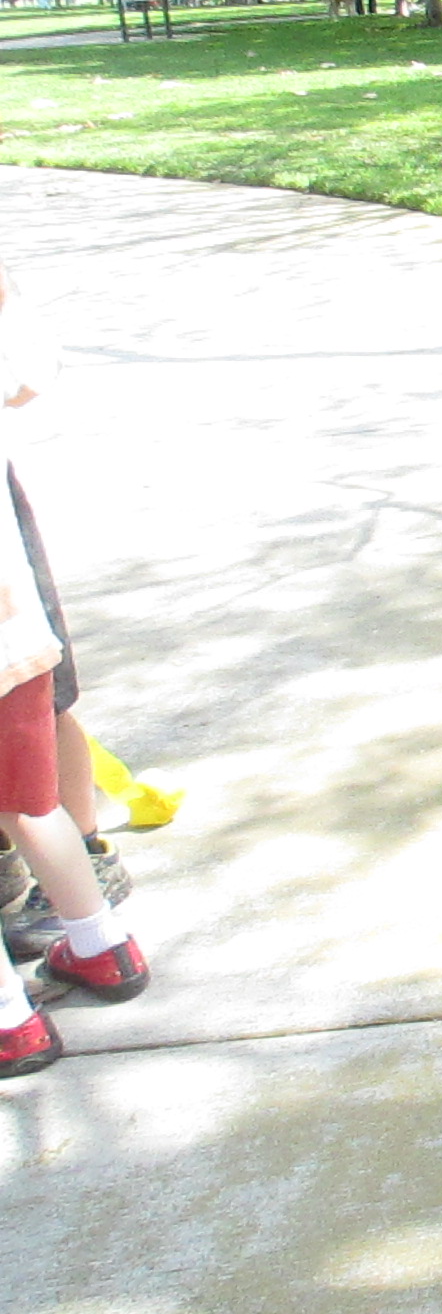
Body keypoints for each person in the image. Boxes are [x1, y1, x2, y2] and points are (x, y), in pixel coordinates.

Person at [0, 260, 150, 1079]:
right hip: (14, 632)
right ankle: (102, 945)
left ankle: (10, 1021)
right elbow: (29, 375)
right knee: (33, 805)